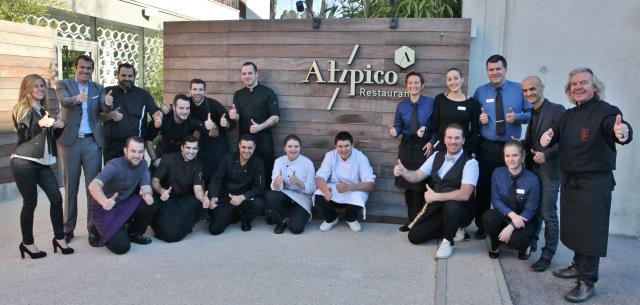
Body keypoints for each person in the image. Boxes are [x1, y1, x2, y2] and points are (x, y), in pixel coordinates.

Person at [539, 68, 633, 303]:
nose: (578, 87)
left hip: (594, 182)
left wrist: (623, 132)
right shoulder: (568, 116)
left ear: (595, 86)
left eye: (584, 82)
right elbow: (555, 135)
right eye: (573, 84)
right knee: (574, 228)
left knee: (590, 231)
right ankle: (577, 266)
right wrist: (548, 137)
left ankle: (587, 281)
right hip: (571, 180)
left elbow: (616, 128)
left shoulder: (607, 111)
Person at [12, 74, 74, 258]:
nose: (40, 89)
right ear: (27, 88)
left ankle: (59, 239)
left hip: (42, 163)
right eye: (35, 86)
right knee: (30, 202)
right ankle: (28, 244)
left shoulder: (43, 109)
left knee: (56, 199)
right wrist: (41, 124)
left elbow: (48, 139)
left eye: (42, 86)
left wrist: (58, 127)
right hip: (24, 162)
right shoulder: (22, 108)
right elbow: (24, 135)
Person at [394, 124, 478, 259]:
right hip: (437, 208)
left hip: (460, 209)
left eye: (457, 138)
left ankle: (448, 240)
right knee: (414, 236)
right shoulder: (436, 156)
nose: (453, 141)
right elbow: (416, 176)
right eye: (449, 137)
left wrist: (437, 196)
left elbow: (465, 194)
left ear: (463, 140)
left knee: (452, 205)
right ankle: (451, 227)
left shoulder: (471, 163)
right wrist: (404, 172)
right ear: (444, 140)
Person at [473, 54, 531, 239]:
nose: (495, 72)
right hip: (488, 147)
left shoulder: (519, 90)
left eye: (498, 69)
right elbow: (473, 117)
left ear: (505, 69)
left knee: (510, 188)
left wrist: (518, 117)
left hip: (511, 148)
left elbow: (532, 113)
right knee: (483, 188)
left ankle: (511, 225)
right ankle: (482, 226)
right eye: (491, 69)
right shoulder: (481, 91)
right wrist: (479, 119)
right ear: (487, 71)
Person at [55, 55, 108, 244]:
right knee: (71, 187)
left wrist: (107, 103)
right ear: (75, 68)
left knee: (92, 188)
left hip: (92, 142)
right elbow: (64, 101)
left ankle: (93, 228)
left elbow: (102, 106)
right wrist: (77, 98)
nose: (85, 71)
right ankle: (68, 229)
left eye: (89, 68)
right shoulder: (64, 84)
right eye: (82, 67)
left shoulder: (98, 88)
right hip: (70, 142)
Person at [429, 67, 481, 240]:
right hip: (442, 150)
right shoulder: (439, 100)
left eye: (456, 78)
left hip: (462, 152)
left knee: (462, 189)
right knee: (440, 185)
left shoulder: (472, 103)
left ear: (462, 80)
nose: (453, 82)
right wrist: (430, 142)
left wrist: (472, 153)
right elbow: (434, 126)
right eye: (449, 79)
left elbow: (475, 132)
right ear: (446, 81)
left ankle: (459, 225)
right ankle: (440, 222)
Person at [520, 75, 565, 272]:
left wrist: (546, 154)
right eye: (525, 90)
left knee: (548, 213)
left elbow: (566, 141)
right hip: (532, 169)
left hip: (550, 170)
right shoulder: (532, 112)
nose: (529, 93)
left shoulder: (557, 110)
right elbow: (532, 143)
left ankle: (547, 255)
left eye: (532, 89)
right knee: (533, 210)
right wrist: (518, 144)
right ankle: (533, 243)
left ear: (542, 88)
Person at [87, 136, 157, 254]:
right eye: (133, 151)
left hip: (124, 203)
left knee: (151, 203)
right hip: (106, 207)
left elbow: (145, 187)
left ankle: (134, 233)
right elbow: (93, 185)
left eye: (140, 151)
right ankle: (96, 229)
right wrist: (104, 201)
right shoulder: (115, 165)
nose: (137, 155)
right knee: (122, 247)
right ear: (125, 151)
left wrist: (147, 194)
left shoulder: (143, 164)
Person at [388, 71, 434, 232]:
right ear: (406, 86)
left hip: (423, 149)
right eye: (410, 83)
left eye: (416, 83)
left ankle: (419, 221)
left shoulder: (431, 103)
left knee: (420, 186)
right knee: (408, 186)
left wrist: (431, 141)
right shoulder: (402, 105)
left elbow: (437, 126)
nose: (413, 85)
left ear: (422, 85)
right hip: (406, 148)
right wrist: (394, 132)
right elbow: (398, 127)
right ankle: (411, 221)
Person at [482, 140, 540, 260]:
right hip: (506, 215)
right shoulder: (498, 173)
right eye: (507, 155)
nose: (511, 159)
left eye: (515, 155)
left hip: (524, 219)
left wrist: (511, 226)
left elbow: (530, 210)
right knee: (488, 217)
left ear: (523, 156)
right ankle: (496, 244)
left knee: (518, 241)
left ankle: (524, 246)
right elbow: (496, 200)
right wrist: (512, 215)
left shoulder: (532, 180)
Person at [228, 62, 279, 185]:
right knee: (245, 171)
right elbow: (238, 116)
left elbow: (275, 117)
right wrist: (234, 116)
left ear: (257, 74)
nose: (247, 76)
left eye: (250, 73)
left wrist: (260, 126)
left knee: (266, 171)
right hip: (244, 142)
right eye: (244, 73)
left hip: (264, 141)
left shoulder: (268, 93)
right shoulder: (238, 94)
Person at [315, 131, 376, 232]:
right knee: (318, 194)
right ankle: (332, 219)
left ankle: (350, 218)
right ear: (335, 146)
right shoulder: (330, 155)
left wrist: (349, 187)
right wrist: (325, 190)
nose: (343, 150)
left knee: (360, 195)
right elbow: (319, 178)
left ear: (352, 145)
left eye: (347, 146)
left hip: (353, 189)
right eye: (340, 146)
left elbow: (370, 184)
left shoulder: (361, 157)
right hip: (335, 188)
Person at [150, 136, 209, 242]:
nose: (191, 151)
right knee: (168, 235)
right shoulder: (168, 159)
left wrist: (203, 199)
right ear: (182, 148)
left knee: (196, 202)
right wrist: (162, 190)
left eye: (194, 148)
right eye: (188, 148)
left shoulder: (197, 165)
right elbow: (155, 181)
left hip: (183, 199)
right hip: (167, 198)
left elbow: (198, 189)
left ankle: (181, 225)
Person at [102, 63, 163, 163]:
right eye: (123, 75)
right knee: (113, 177)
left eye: (130, 76)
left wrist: (158, 118)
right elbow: (97, 117)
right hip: (112, 147)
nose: (127, 78)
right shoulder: (107, 92)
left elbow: (155, 111)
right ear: (117, 75)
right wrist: (111, 115)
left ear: (134, 76)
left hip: (135, 147)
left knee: (134, 177)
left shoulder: (143, 95)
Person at [206, 134, 266, 234]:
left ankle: (245, 220)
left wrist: (242, 197)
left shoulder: (258, 163)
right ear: (239, 146)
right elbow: (217, 179)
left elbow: (260, 187)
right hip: (227, 197)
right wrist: (213, 196)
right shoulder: (227, 158)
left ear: (254, 147)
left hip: (244, 198)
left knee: (258, 203)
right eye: (244, 147)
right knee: (214, 230)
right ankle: (233, 214)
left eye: (250, 148)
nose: (246, 151)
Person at [146, 93, 215, 169]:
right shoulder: (163, 118)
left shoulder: (192, 121)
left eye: (187, 108)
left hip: (179, 159)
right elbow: (149, 140)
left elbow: (213, 134)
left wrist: (213, 127)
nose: (185, 111)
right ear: (174, 108)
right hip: (161, 155)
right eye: (181, 108)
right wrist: (155, 160)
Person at [265, 135, 316, 234]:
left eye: (296, 146)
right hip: (286, 194)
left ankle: (295, 215)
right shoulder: (278, 161)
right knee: (270, 195)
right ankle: (281, 221)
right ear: (285, 148)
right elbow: (274, 186)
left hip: (302, 197)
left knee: (296, 229)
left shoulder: (307, 163)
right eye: (290, 146)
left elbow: (312, 188)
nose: (293, 149)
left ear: (300, 148)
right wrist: (276, 183)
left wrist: (299, 182)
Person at [187, 79, 234, 183]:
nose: (198, 92)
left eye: (200, 89)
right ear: (189, 91)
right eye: (195, 89)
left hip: (217, 143)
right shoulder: (186, 103)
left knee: (214, 175)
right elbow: (174, 107)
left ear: (205, 92)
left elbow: (232, 125)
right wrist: (166, 108)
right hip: (198, 143)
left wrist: (225, 123)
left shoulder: (214, 105)